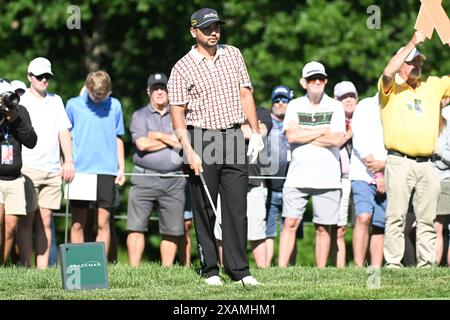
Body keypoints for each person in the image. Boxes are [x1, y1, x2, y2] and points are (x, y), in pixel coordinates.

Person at [168, 8, 263, 286]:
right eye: (207, 28)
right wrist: (188, 149)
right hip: (201, 138)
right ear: (193, 31)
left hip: (233, 135)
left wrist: (255, 132)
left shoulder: (233, 54)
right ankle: (209, 269)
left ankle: (240, 270)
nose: (213, 32)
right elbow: (177, 113)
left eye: (216, 27)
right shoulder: (182, 66)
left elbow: (245, 94)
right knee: (204, 208)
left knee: (236, 207)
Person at [379, 31, 450, 268]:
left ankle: (427, 265)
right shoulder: (391, 88)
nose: (417, 66)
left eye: (419, 61)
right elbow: (388, 72)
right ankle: (393, 264)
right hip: (399, 161)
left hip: (428, 165)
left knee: (427, 219)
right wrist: (412, 42)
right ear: (401, 64)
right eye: (411, 62)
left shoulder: (432, 86)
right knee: (396, 217)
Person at [279, 61, 346, 268]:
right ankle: (280, 270)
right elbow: (291, 136)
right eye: (312, 79)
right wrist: (322, 130)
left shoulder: (336, 106)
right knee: (290, 223)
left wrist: (304, 134)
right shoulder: (295, 105)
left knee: (323, 228)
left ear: (325, 81)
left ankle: (321, 271)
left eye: (321, 78)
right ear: (303, 82)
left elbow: (337, 139)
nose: (317, 82)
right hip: (297, 176)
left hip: (328, 177)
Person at [17, 57, 75, 268]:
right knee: (26, 220)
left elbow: (64, 133)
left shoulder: (56, 100)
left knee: (47, 219)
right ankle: (26, 267)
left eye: (47, 77)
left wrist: (68, 161)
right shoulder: (21, 101)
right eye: (39, 76)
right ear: (29, 77)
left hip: (52, 169)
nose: (44, 80)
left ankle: (42, 270)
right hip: (27, 167)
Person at [126, 73, 187, 267]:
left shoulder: (178, 114)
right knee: (136, 227)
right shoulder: (139, 115)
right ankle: (133, 271)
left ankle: (166, 270)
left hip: (174, 180)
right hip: (143, 178)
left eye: (163, 88)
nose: (159, 92)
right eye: (155, 88)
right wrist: (172, 141)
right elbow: (142, 144)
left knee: (172, 229)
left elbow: (185, 143)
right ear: (148, 91)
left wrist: (158, 135)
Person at [66, 70, 125, 256]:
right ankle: (77, 264)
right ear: (87, 88)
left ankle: (99, 269)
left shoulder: (115, 105)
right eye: (95, 95)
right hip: (80, 171)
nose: (99, 99)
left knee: (103, 222)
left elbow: (118, 138)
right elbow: (65, 136)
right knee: (77, 223)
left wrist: (121, 168)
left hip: (107, 170)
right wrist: (66, 162)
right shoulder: (73, 105)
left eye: (103, 96)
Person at [0, 80, 37, 264]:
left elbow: (31, 141)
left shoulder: (20, 112)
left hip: (14, 178)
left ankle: (3, 264)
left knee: (10, 228)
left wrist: (14, 119)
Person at [349, 93, 387, 268]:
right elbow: (359, 142)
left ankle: (375, 270)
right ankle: (358, 266)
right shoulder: (365, 106)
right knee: (364, 217)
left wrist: (385, 168)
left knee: (380, 224)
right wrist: (378, 173)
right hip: (363, 173)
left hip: (389, 173)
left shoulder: (399, 107)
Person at [263, 85, 295, 266]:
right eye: (277, 99)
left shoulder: (296, 122)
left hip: (293, 186)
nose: (280, 103)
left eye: (284, 100)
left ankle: (289, 268)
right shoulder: (266, 123)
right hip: (270, 185)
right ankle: (266, 268)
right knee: (268, 231)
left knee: (291, 229)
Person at [329, 81, 358, 267]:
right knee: (339, 228)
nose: (348, 100)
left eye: (351, 96)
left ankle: (361, 266)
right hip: (339, 178)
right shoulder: (333, 119)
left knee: (364, 223)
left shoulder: (367, 117)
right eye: (343, 97)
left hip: (363, 178)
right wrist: (350, 132)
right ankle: (338, 269)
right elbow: (334, 142)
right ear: (335, 100)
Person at [435, 100, 450, 266]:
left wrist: (437, 151)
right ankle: (432, 269)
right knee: (434, 228)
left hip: (444, 178)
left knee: (437, 227)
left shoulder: (447, 117)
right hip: (429, 179)